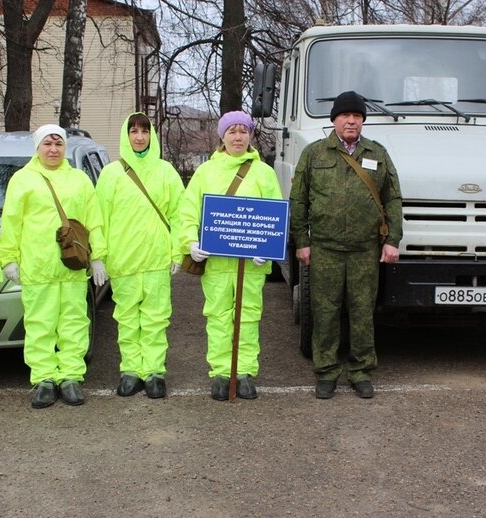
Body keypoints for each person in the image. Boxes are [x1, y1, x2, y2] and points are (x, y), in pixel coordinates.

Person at [289, 91, 403, 400]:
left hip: (365, 249)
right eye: (344, 116)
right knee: (324, 312)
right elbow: (298, 200)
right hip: (324, 249)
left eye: (356, 116)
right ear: (334, 120)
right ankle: (326, 372)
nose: (351, 120)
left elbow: (392, 198)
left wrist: (392, 240)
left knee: (362, 311)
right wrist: (302, 241)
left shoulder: (377, 153)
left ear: (363, 120)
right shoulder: (314, 154)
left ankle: (360, 371)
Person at [0, 124, 107, 409]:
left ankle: (71, 376)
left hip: (71, 266)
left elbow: (93, 220)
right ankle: (44, 378)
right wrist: (9, 258)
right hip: (37, 267)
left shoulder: (80, 180)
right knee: (40, 325)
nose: (53, 149)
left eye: (58, 143)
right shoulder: (23, 179)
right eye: (47, 143)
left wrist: (98, 256)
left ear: (65, 147)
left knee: (74, 323)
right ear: (37, 147)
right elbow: (11, 222)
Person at [178, 110, 283, 401]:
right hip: (217, 265)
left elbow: (275, 215)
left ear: (251, 136)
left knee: (248, 317)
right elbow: (188, 212)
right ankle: (222, 372)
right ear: (222, 136)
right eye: (232, 131)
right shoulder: (206, 172)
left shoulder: (263, 172)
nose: (238, 137)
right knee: (219, 318)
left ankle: (245, 371)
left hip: (251, 265)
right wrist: (191, 242)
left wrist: (268, 249)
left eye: (243, 131)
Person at [96, 112, 184, 399]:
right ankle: (131, 371)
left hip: (157, 260)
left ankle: (155, 371)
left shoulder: (166, 172)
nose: (139, 136)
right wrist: (99, 256)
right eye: (133, 131)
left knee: (156, 319)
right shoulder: (110, 174)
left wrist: (177, 251)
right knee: (127, 319)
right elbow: (99, 219)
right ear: (126, 135)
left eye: (144, 131)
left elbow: (179, 215)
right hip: (123, 261)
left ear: (151, 135)